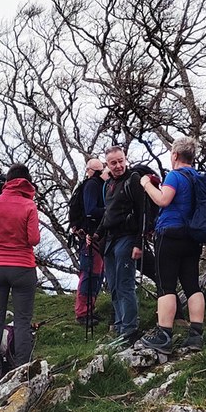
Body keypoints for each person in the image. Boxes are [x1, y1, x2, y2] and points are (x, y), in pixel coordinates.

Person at [135, 137, 206, 353]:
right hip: (193, 236)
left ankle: (164, 334)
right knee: (192, 284)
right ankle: (196, 335)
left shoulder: (175, 175)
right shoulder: (198, 178)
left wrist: (146, 184)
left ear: (174, 155)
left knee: (166, 285)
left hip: (170, 234)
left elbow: (163, 200)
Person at [0, 163, 41, 383]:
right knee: (23, 321)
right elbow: (34, 239)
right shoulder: (29, 205)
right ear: (27, 182)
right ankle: (22, 371)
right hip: (23, 266)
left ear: (7, 182)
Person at [92, 146, 149, 342]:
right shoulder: (108, 185)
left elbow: (143, 211)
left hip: (127, 237)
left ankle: (129, 329)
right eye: (113, 163)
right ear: (107, 165)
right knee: (114, 286)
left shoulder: (133, 180)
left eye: (121, 161)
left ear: (126, 159)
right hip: (109, 241)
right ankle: (118, 326)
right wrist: (97, 234)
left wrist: (139, 243)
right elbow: (108, 213)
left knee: (125, 284)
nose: (118, 166)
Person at [68, 158, 106, 326]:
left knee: (95, 273)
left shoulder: (88, 184)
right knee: (91, 272)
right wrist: (111, 210)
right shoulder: (93, 185)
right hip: (91, 235)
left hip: (90, 234)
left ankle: (87, 310)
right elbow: (91, 210)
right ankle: (83, 312)